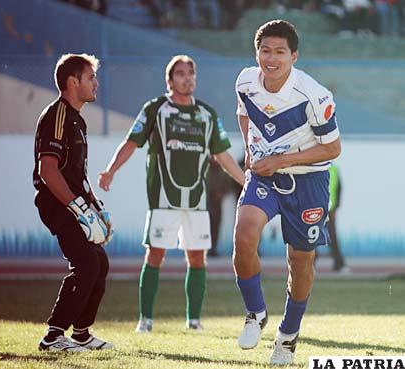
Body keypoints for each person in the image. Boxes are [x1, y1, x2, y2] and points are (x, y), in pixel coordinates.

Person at [98, 55, 244, 332]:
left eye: (191, 73)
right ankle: (146, 320)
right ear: (169, 80)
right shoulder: (155, 109)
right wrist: (110, 170)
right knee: (155, 256)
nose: (187, 78)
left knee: (198, 258)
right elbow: (132, 143)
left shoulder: (207, 114)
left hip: (198, 202)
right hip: (163, 201)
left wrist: (245, 180)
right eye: (180, 73)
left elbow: (223, 155)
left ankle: (194, 320)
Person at [233, 20, 341, 365]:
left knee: (301, 261)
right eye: (265, 50)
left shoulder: (314, 95)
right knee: (245, 233)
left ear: (294, 55)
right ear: (256, 53)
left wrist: (282, 159)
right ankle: (255, 313)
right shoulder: (245, 81)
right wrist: (252, 149)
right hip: (265, 176)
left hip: (307, 182)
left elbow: (333, 148)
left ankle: (287, 337)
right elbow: (244, 114)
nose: (271, 58)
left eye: (280, 52)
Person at [33, 53, 114, 352]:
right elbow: (48, 171)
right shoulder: (57, 115)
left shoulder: (76, 119)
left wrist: (95, 206)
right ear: (73, 81)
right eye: (91, 77)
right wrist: (77, 208)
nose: (96, 83)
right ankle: (54, 336)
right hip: (57, 203)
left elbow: (76, 174)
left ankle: (81, 332)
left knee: (99, 261)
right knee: (86, 261)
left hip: (73, 203)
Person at [328, 163, 347, 271]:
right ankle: (310, 265)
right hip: (317, 209)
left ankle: (339, 264)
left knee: (333, 238)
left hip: (331, 209)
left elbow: (339, 188)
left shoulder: (334, 169)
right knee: (312, 238)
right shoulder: (315, 167)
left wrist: (337, 205)